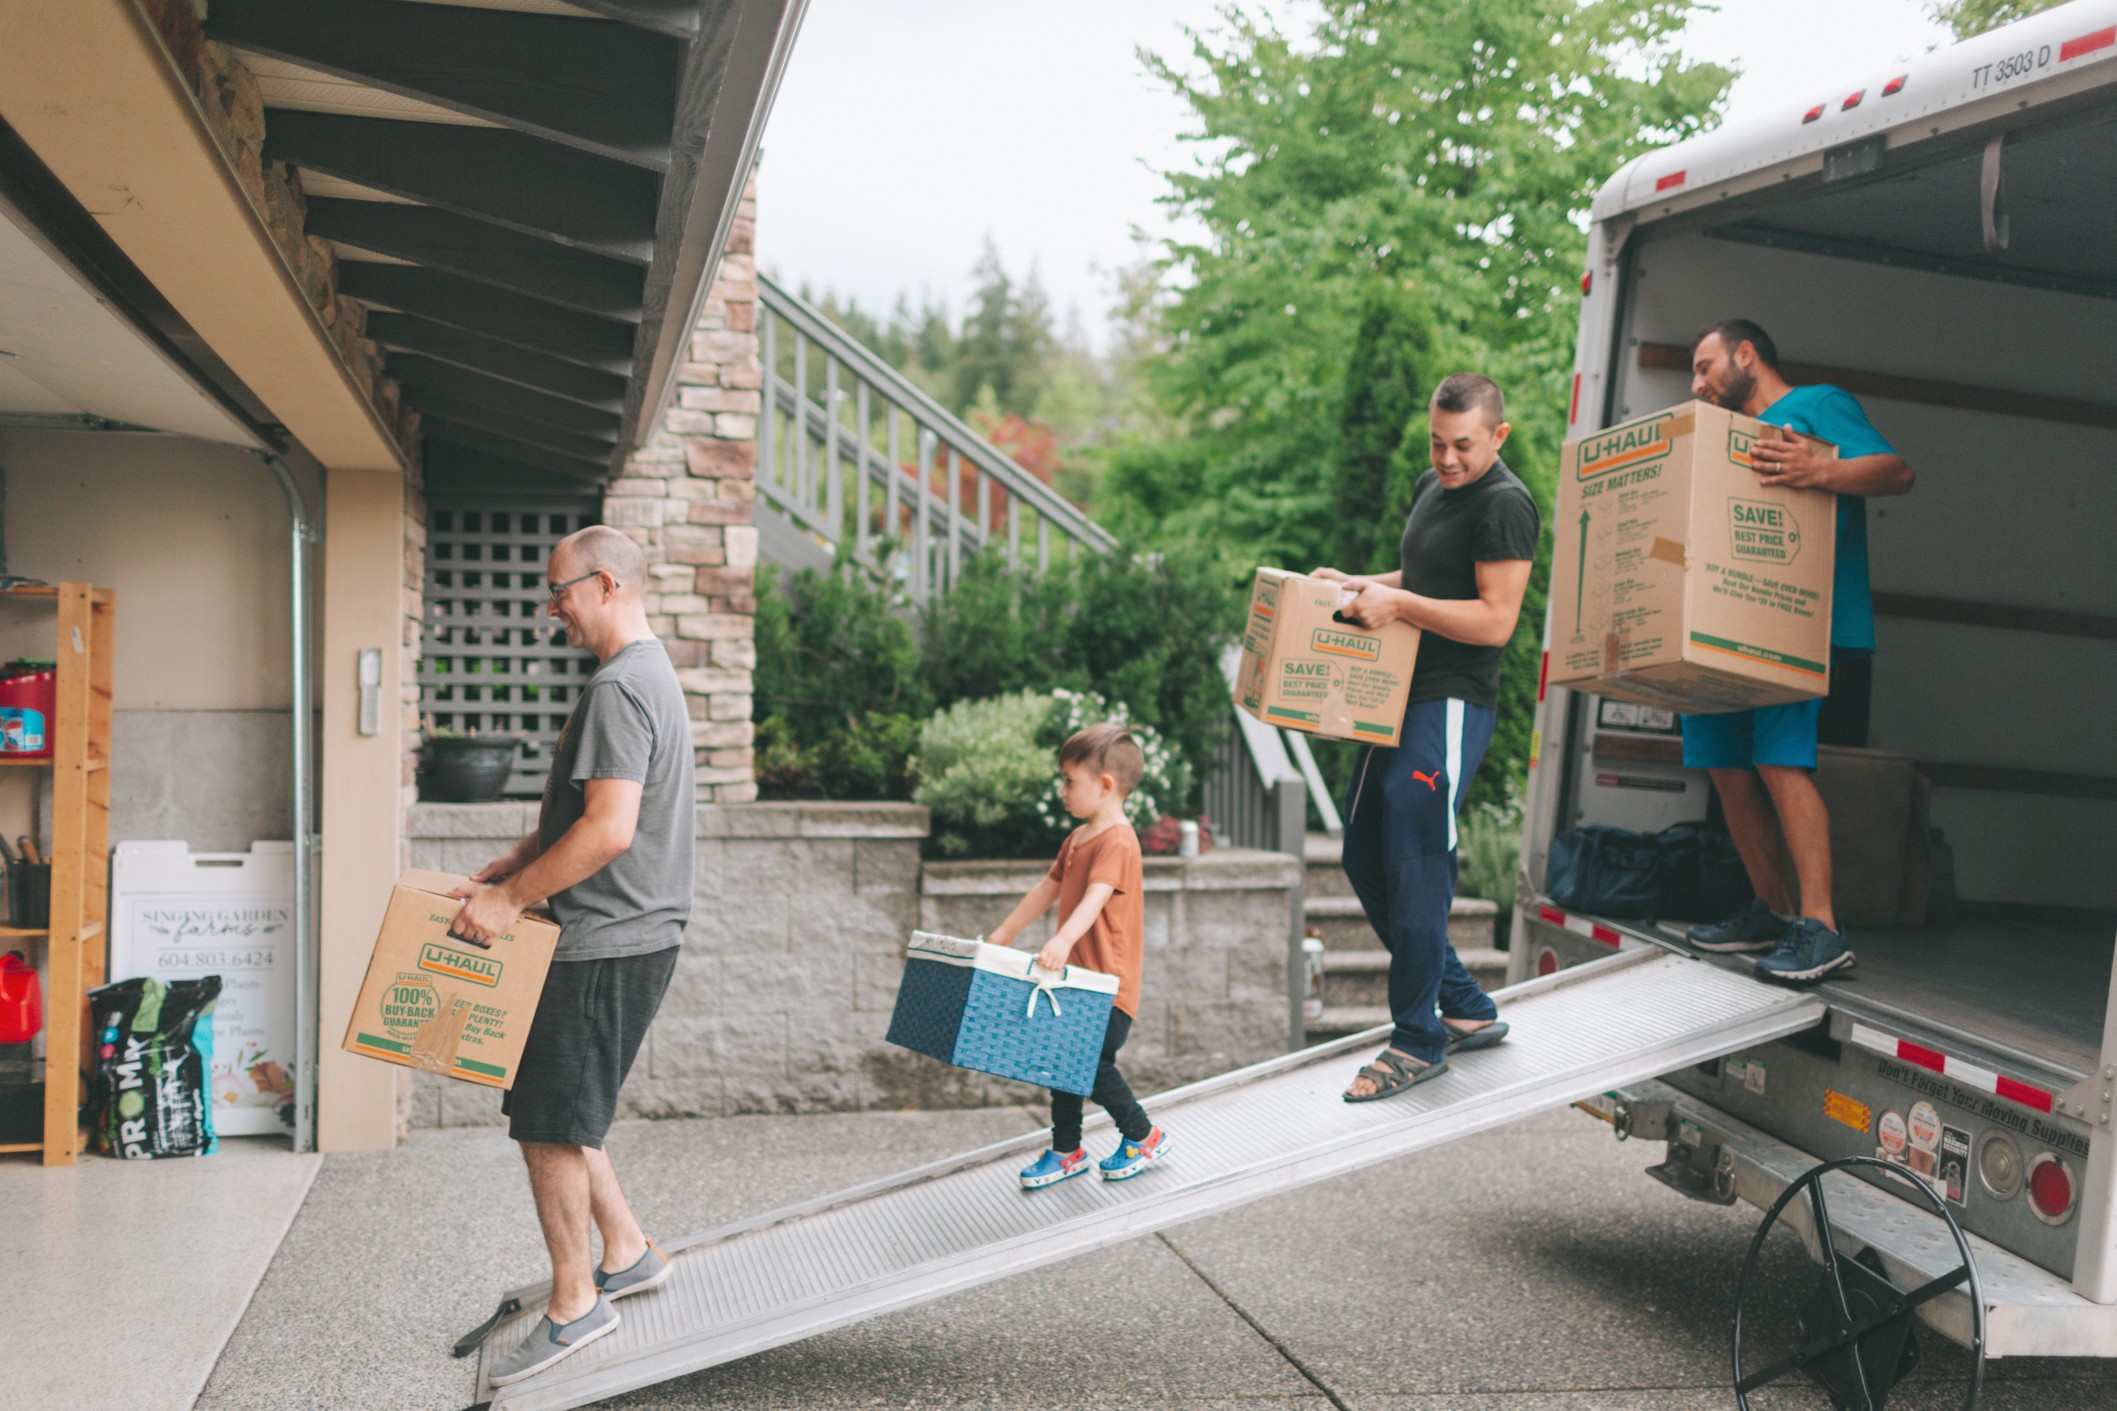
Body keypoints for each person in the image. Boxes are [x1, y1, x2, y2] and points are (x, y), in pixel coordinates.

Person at [447, 525, 697, 1386]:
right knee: (566, 1104)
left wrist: (506, 902)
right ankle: (625, 1250)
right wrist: (521, 859)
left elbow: (612, 830)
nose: (551, 607)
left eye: (559, 591)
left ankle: (575, 1301)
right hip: (622, 933)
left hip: (604, 939)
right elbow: (592, 808)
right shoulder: (642, 675)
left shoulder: (620, 687)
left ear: (604, 584)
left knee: (549, 1122)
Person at [1315, 373, 1541, 1101]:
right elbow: (1422, 574)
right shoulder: (1431, 486)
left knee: (1416, 862)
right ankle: (1466, 1007)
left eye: (1462, 446)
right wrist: (1358, 584)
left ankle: (1417, 1039)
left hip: (1449, 701)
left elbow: (1495, 620)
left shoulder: (1505, 505)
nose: (1446, 459)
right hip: (1397, 691)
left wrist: (1401, 603)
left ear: (1497, 435)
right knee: (1360, 851)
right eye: (1437, 442)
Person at [1680, 320, 1914, 982]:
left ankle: (1821, 926)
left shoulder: (1816, 404)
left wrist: (1823, 467)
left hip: (1799, 623)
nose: (1696, 384)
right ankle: (1773, 909)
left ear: (1746, 354)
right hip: (1727, 621)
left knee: (1778, 759)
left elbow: (1897, 473)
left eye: (1704, 366)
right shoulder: (1722, 439)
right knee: (1723, 764)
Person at [986, 723, 1171, 1187]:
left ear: (1105, 786)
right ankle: (1067, 1150)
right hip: (1074, 982)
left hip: (1107, 986)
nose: (1062, 790)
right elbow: (1047, 889)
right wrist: (1007, 930)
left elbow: (1096, 896)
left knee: (1087, 1064)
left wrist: (1063, 940)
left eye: (1070, 781)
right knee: (1060, 1060)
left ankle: (1143, 1134)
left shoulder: (1119, 840)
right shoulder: (1076, 840)